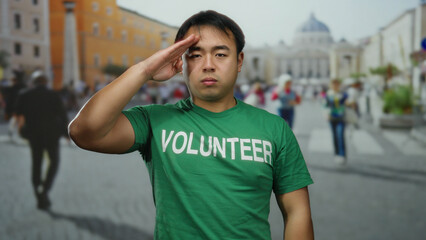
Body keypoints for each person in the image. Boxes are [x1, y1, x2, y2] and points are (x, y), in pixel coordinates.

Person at [69, 10, 313, 240]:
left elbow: (297, 212)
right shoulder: (154, 120)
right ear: (180, 62)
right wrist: (144, 70)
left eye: (220, 54)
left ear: (239, 61)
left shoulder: (274, 128)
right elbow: (84, 132)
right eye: (195, 55)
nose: (208, 64)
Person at [15, 70, 69, 210]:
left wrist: (21, 130)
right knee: (54, 162)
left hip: (34, 134)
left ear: (33, 82)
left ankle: (37, 191)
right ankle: (45, 190)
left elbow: (19, 116)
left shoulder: (24, 95)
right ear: (46, 82)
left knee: (36, 163)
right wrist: (66, 133)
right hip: (52, 134)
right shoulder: (53, 95)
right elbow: (62, 116)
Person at [324, 78, 348, 165]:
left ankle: (342, 155)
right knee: (334, 136)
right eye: (333, 84)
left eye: (336, 83)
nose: (335, 85)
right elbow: (325, 105)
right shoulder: (328, 94)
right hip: (332, 118)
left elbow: (348, 102)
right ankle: (337, 153)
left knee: (340, 135)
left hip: (341, 118)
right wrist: (326, 114)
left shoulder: (343, 94)